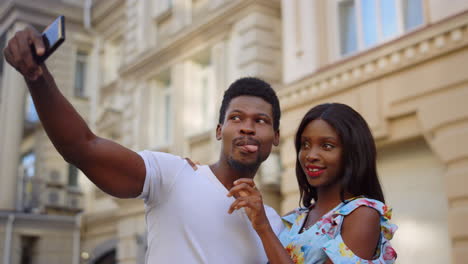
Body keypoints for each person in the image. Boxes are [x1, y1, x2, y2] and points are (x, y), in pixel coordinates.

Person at [3, 27, 284, 263]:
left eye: (260, 120)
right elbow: (82, 148)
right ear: (219, 131)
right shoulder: (174, 176)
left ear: (276, 136)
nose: (247, 126)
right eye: (237, 118)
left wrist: (263, 227)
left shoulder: (273, 224)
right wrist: (37, 77)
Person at [228, 103, 398, 263]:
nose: (311, 155)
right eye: (305, 144)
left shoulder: (362, 215)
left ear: (352, 153)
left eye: (327, 146)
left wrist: (264, 229)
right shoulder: (294, 219)